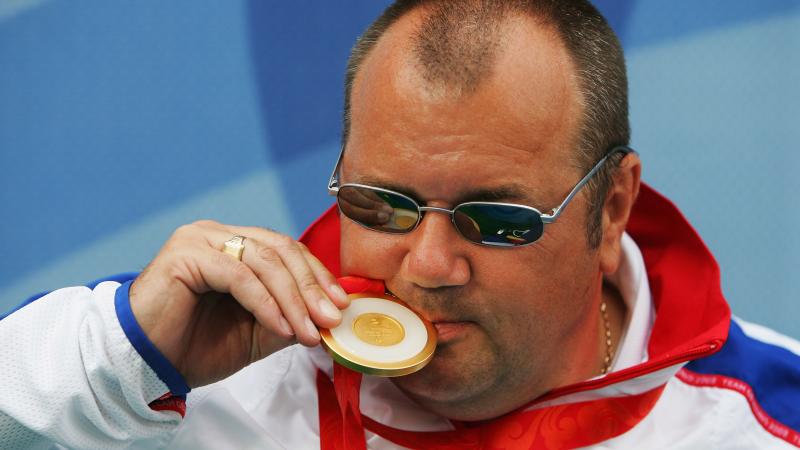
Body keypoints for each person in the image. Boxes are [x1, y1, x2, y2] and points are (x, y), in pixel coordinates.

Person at [1, 1, 799, 448]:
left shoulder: (768, 419)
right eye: (382, 206)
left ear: (612, 206)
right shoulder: (204, 378)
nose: (428, 264)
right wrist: (124, 352)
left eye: (496, 219)